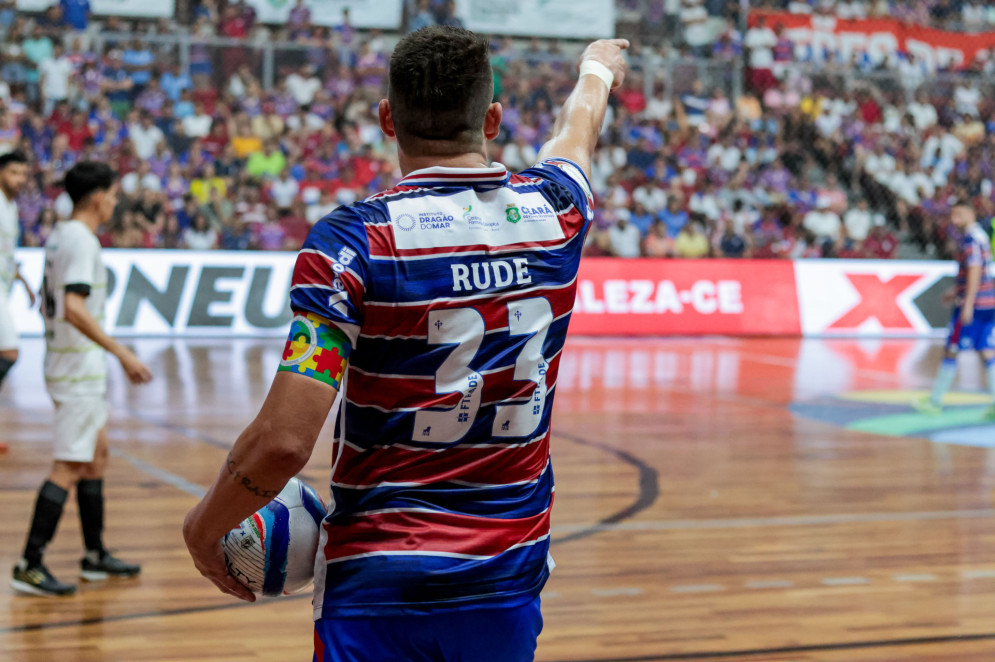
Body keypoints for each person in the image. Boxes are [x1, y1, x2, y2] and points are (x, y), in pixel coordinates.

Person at [183, 26, 628, 661]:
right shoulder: (557, 211)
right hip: (502, 582)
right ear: (492, 118)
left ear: (387, 119)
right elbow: (576, 134)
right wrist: (597, 70)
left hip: (376, 585)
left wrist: (202, 531)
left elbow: (283, 441)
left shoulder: (352, 245)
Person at [11, 161, 153, 597]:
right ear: (97, 197)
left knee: (96, 455)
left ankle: (94, 555)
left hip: (69, 364)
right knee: (70, 464)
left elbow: (51, 303)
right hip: (76, 370)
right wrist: (122, 352)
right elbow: (73, 307)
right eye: (111, 195)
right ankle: (29, 563)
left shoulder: (59, 234)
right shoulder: (82, 240)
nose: (113, 203)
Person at [917, 202, 995, 419]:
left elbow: (975, 269)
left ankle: (935, 402)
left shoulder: (971, 240)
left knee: (952, 348)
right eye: (952, 215)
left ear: (971, 214)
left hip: (974, 305)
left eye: (959, 214)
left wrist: (967, 301)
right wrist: (955, 290)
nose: (954, 219)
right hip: (988, 303)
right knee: (986, 350)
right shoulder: (980, 237)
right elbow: (981, 271)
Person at [0, 151, 37, 454]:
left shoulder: (10, 206)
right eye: (13, 173)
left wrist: (24, 284)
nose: (20, 180)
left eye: (23, 174)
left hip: (6, 285)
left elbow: (6, 253)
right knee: (9, 353)